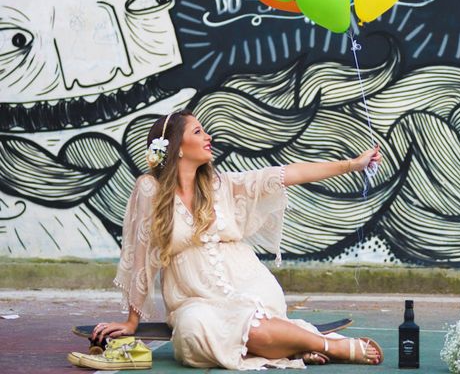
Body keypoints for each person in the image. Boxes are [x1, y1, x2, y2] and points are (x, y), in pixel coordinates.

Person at [78, 109, 384, 369]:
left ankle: (331, 346)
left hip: (244, 279)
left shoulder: (220, 185)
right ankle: (295, 343)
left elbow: (287, 174)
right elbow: (141, 253)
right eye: (198, 131)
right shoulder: (150, 189)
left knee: (249, 321)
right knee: (191, 332)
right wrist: (132, 321)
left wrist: (352, 165)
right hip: (193, 295)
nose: (208, 137)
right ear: (177, 148)